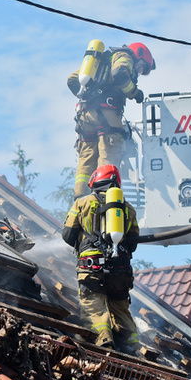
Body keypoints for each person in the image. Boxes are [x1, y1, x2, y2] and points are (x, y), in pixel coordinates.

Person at [62, 164, 140, 354]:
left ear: (95, 181)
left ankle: (104, 342)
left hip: (91, 268)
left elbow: (67, 234)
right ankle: (131, 344)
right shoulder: (128, 209)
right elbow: (133, 244)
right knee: (120, 308)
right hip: (121, 271)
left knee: (94, 309)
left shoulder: (82, 203)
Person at [68, 42, 155, 199]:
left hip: (84, 116)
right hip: (107, 115)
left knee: (86, 156)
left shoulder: (100, 62)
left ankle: (80, 199)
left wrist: (88, 98)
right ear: (138, 54)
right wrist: (135, 93)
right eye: (142, 67)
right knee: (109, 152)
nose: (140, 72)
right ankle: (103, 196)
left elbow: (72, 80)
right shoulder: (124, 56)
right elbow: (119, 75)